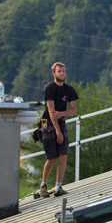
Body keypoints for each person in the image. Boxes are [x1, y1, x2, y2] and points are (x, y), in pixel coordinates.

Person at [34, 62, 78, 199]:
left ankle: (58, 186)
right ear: (53, 73)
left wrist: (63, 113)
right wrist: (58, 131)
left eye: (63, 71)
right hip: (46, 123)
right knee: (52, 157)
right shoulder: (49, 88)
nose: (62, 73)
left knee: (63, 155)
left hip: (60, 121)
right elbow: (52, 113)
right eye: (59, 71)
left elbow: (74, 110)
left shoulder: (69, 89)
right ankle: (43, 185)